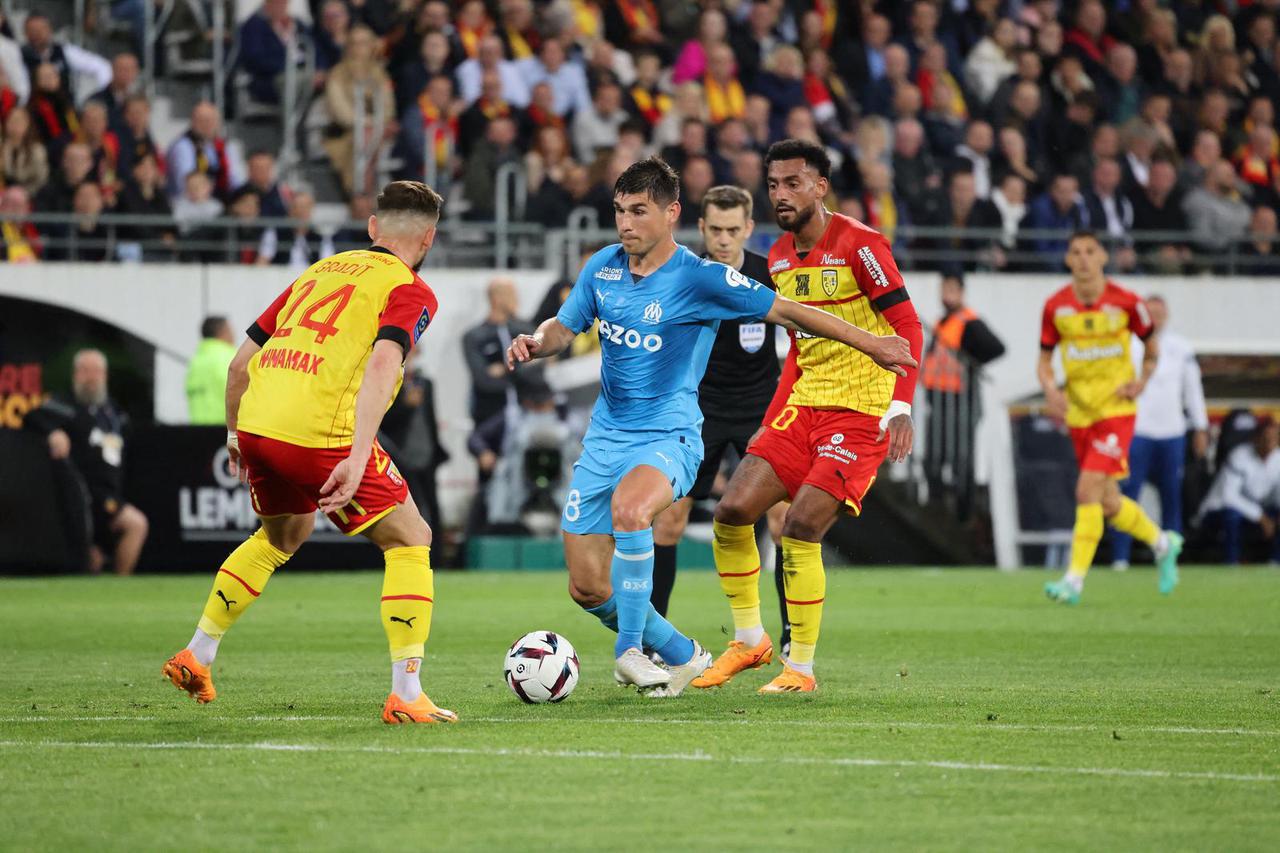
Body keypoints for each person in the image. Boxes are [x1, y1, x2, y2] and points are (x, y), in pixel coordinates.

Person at [506, 156, 913, 697]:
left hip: (669, 436)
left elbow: (793, 313)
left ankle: (633, 651)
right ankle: (682, 653)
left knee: (635, 512)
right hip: (605, 438)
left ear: (672, 213)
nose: (625, 224)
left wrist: (875, 343)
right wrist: (537, 342)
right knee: (586, 586)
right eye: (619, 212)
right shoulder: (602, 266)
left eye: (638, 212)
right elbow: (565, 324)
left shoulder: (701, 278)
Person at [162, 181, 458, 725]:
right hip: (319, 434)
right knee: (412, 538)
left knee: (282, 537)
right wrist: (359, 451)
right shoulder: (410, 289)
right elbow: (382, 365)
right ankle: (407, 692)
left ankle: (197, 654)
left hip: (257, 423)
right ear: (429, 239)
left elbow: (238, 365)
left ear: (373, 228)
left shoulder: (319, 271)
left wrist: (234, 437)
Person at [696, 139, 923, 694]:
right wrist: (770, 422)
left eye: (793, 182)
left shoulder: (861, 246)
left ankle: (801, 668)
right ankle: (750, 641)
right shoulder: (777, 258)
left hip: (861, 410)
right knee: (731, 512)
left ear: (821, 186)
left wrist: (900, 405)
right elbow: (798, 350)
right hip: (801, 407)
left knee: (799, 526)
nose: (781, 194)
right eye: (773, 184)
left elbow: (909, 327)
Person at [649, 185, 788, 639]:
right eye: (716, 230)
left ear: (748, 228)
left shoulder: (770, 276)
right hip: (699, 411)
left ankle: (790, 636)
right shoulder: (682, 277)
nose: (724, 239)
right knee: (667, 519)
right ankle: (655, 638)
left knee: (782, 520)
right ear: (702, 228)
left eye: (733, 230)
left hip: (760, 409)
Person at [1039, 231, 1182, 605]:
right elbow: (1043, 361)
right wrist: (1052, 391)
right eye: (1076, 252)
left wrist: (1142, 380)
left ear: (1103, 256)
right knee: (1108, 502)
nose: (1083, 258)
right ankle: (1164, 544)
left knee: (1085, 491)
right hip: (1079, 413)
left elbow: (1151, 349)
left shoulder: (1128, 302)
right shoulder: (1056, 307)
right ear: (1068, 260)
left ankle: (1074, 581)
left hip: (1116, 412)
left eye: (1090, 251)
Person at [24, 349, 149, 575]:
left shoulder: (113, 413)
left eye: (96, 372)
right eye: (85, 371)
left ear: (105, 376)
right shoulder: (65, 405)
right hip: (83, 493)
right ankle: (120, 585)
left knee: (97, 556)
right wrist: (52, 432)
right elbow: (31, 417)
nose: (91, 377)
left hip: (113, 492)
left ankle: (110, 578)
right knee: (136, 523)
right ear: (75, 375)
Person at [1110, 296, 1209, 570]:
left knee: (1171, 495)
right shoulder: (1126, 344)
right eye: (1151, 313)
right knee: (1126, 493)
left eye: (1160, 313)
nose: (1156, 318)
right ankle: (1120, 557)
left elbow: (1193, 391)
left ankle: (1169, 556)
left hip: (1172, 432)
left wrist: (1200, 426)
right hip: (1137, 431)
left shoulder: (1181, 348)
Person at [920, 272, 1005, 521]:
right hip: (939, 399)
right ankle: (938, 507)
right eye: (943, 289)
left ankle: (963, 513)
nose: (946, 294)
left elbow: (995, 348)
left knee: (961, 459)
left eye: (951, 289)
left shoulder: (969, 322)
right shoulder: (942, 322)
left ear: (961, 292)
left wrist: (970, 360)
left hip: (960, 401)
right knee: (934, 457)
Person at [1195, 418, 1280, 565]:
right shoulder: (1240, 455)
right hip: (1217, 511)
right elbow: (1229, 497)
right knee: (1232, 515)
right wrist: (1261, 517)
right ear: (1256, 438)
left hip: (1256, 513)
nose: (1269, 442)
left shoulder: (1277, 458)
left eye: (1274, 438)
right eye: (1266, 437)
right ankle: (1231, 562)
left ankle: (1275, 562)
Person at [186, 316, 237, 425]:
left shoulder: (196, 361)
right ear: (224, 332)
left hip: (198, 431)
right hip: (225, 429)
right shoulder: (231, 358)